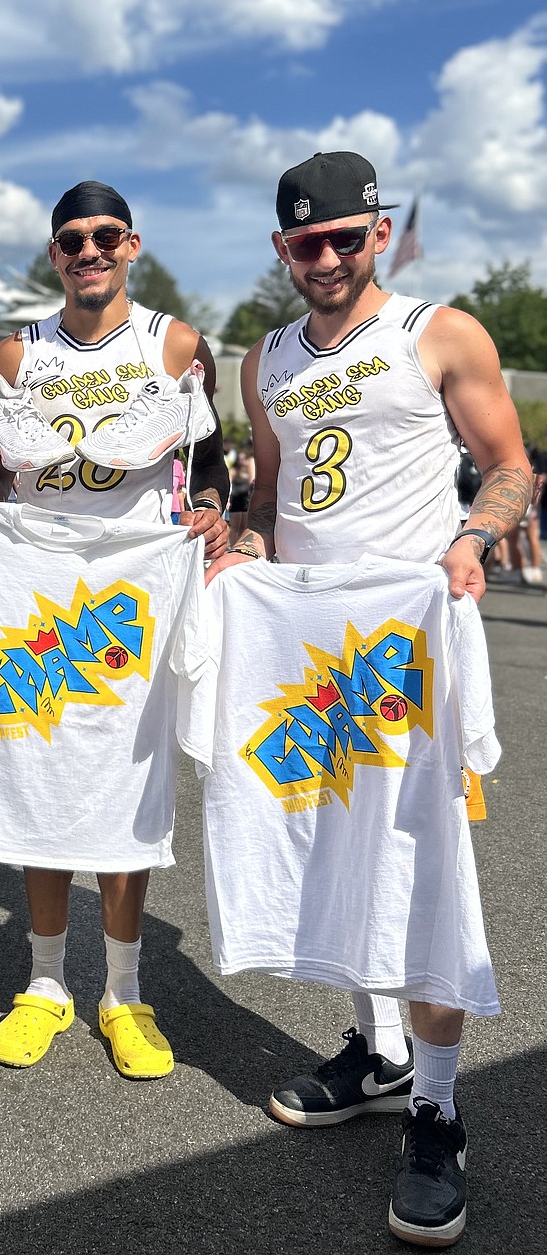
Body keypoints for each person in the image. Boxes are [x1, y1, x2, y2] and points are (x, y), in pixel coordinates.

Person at [210, 150, 532, 1247]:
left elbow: (510, 466)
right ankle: (381, 1051)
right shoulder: (266, 360)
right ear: (282, 251)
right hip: (307, 649)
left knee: (426, 865)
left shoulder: (440, 334)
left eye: (349, 236)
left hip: (411, 645)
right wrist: (239, 545)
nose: (330, 256)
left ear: (379, 233)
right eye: (309, 241)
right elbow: (267, 493)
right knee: (328, 845)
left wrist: (475, 534)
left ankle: (438, 1107)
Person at [0, 180, 229, 1077]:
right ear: (54, 255)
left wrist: (214, 511)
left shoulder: (174, 343)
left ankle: (126, 993)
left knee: (126, 780)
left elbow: (207, 460)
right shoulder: (16, 356)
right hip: (28, 586)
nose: (89, 251)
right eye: (71, 240)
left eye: (106, 236)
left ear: (131, 245)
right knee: (35, 764)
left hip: (131, 592)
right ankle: (47, 983)